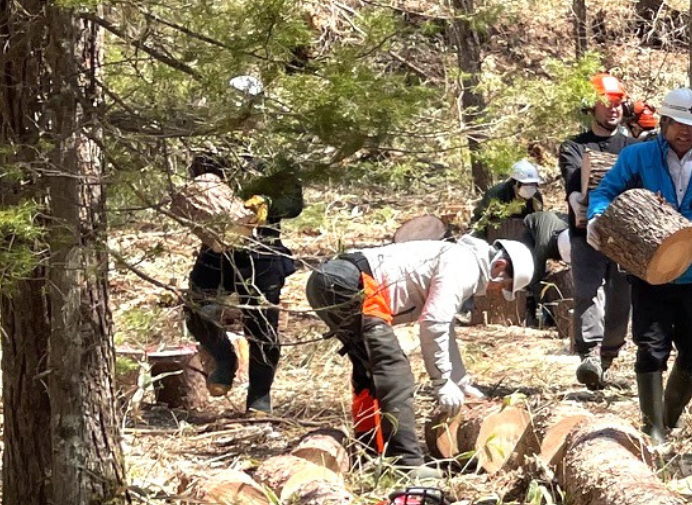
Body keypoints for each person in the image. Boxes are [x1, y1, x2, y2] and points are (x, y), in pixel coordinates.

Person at [303, 231, 533, 460]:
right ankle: (407, 462)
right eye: (504, 285)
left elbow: (445, 328)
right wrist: (441, 382)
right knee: (395, 372)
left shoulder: (461, 258)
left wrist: (460, 382)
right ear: (499, 266)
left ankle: (369, 449)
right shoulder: (465, 266)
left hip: (327, 279)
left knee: (369, 369)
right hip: (353, 283)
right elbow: (433, 323)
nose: (498, 292)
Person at [588, 83, 692, 446]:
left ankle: (669, 414)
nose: (685, 132)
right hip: (648, 270)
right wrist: (597, 218)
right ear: (664, 123)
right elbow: (606, 191)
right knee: (651, 348)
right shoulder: (638, 158)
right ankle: (652, 428)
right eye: (679, 124)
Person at [180, 152, 299, 417]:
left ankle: (259, 396)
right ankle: (224, 357)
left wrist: (267, 203)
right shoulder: (211, 147)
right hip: (216, 251)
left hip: (262, 253)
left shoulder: (272, 152)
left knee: (262, 326)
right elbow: (198, 190)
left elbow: (294, 203)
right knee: (196, 310)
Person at [562, 73, 637, 392]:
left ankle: (607, 358)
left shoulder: (633, 147)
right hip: (586, 233)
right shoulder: (574, 147)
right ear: (591, 106)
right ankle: (589, 353)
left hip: (626, 234)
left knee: (622, 298)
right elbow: (574, 184)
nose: (613, 109)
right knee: (588, 292)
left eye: (618, 103)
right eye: (607, 103)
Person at [473, 157, 565, 323]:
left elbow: (537, 219)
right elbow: (480, 220)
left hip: (525, 238)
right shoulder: (496, 195)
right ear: (515, 183)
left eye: (533, 185)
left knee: (536, 271)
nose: (530, 189)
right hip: (497, 239)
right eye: (526, 185)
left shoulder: (535, 196)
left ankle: (533, 310)